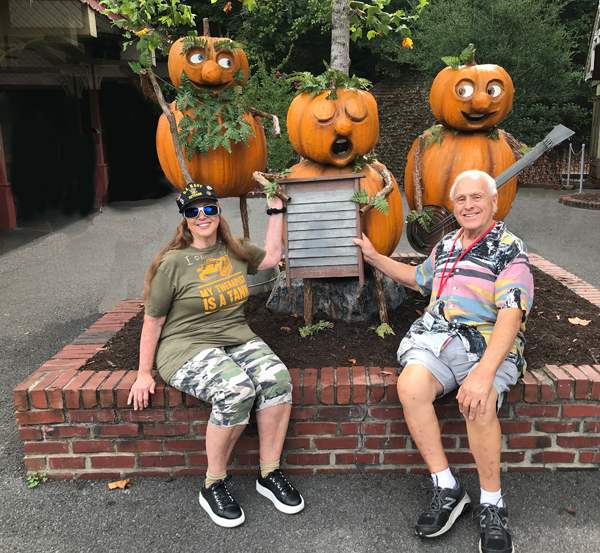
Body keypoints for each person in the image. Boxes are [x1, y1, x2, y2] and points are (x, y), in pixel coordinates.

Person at [355, 170, 533, 553]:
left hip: (486, 344)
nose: (469, 205)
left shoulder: (509, 248)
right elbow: (419, 279)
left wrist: (483, 375)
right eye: (461, 199)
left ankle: (492, 503)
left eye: (477, 197)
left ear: (494, 202)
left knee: (478, 402)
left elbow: (511, 314)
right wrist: (374, 257)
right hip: (436, 339)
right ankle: (447, 487)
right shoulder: (448, 243)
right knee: (411, 386)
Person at [128, 183, 304, 528]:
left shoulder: (234, 248)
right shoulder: (171, 264)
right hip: (185, 345)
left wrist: (276, 212)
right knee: (236, 390)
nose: (202, 216)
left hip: (234, 337)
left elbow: (270, 256)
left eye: (208, 208)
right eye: (193, 211)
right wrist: (143, 373)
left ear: (217, 212)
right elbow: (153, 321)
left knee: (277, 380)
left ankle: (268, 473)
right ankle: (213, 484)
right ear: (185, 219)